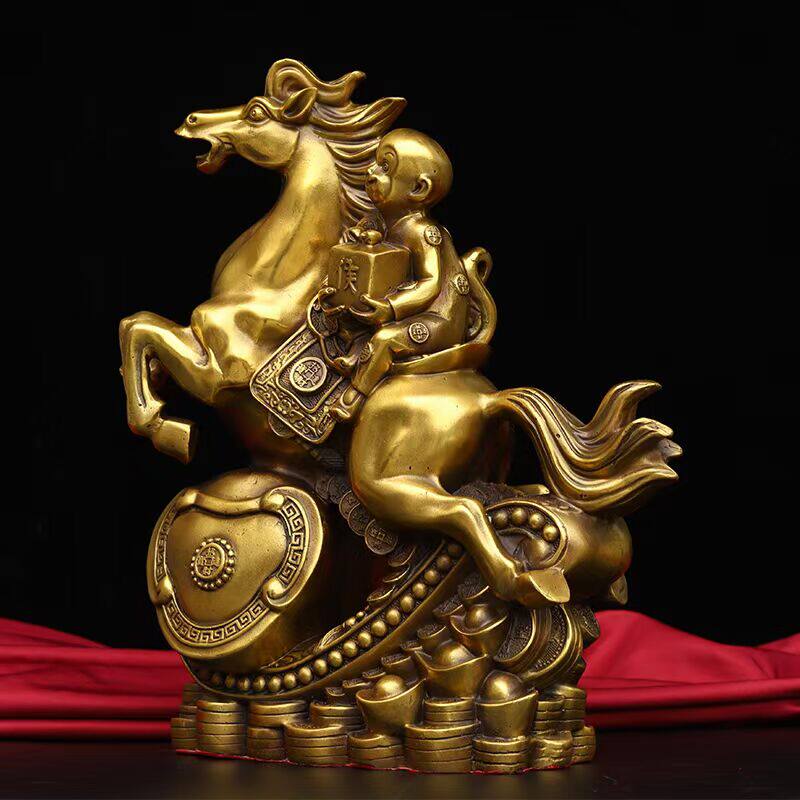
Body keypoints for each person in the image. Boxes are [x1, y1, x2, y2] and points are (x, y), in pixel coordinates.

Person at [327, 129, 472, 421]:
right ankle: (354, 357)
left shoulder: (421, 231)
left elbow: (431, 284)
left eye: (385, 167)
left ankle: (355, 395)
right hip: (405, 309)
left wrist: (391, 308)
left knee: (387, 338)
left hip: (438, 318)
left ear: (418, 188)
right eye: (375, 162)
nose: (371, 171)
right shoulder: (380, 222)